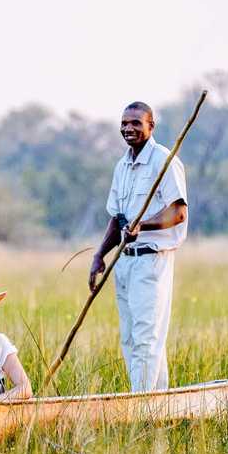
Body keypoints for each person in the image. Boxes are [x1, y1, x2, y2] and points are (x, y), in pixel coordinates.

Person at [87, 102, 188, 392]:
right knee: (132, 338)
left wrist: (143, 226)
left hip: (151, 260)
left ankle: (139, 407)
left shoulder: (163, 161)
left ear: (150, 126)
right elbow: (116, 218)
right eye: (124, 123)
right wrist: (99, 256)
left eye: (136, 123)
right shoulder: (122, 165)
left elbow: (178, 212)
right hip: (124, 261)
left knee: (147, 337)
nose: (128, 128)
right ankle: (156, 405)